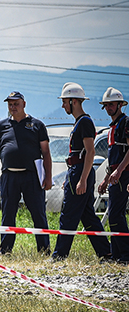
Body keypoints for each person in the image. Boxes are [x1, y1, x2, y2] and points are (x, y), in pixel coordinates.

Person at [0, 91, 52, 255]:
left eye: (16, 104)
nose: (13, 107)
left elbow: (46, 152)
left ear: (24, 104)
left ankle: (44, 250)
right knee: (8, 213)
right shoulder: (2, 125)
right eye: (10, 104)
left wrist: (48, 177)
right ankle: (5, 249)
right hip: (9, 176)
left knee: (38, 213)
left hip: (32, 176)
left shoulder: (37, 125)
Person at [52, 82, 111, 261]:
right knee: (88, 216)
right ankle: (106, 252)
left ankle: (59, 255)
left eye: (65, 101)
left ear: (74, 101)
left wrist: (82, 179)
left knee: (68, 213)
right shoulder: (80, 122)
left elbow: (90, 152)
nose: (63, 106)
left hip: (80, 171)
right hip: (76, 171)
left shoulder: (84, 122)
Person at [97, 87, 129, 263]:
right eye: (106, 105)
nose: (109, 108)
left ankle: (125, 254)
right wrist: (106, 179)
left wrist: (120, 170)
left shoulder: (126, 122)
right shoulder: (112, 127)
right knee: (114, 215)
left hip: (124, 175)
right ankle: (117, 254)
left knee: (116, 214)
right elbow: (113, 158)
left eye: (111, 105)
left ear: (120, 105)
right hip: (115, 175)